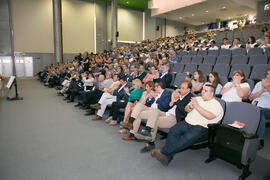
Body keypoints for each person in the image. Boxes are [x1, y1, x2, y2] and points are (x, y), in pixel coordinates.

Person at [151, 84, 224, 165]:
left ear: (212, 94)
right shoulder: (197, 99)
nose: (202, 92)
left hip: (202, 127)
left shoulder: (216, 104)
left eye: (206, 91)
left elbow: (209, 116)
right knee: (173, 131)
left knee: (185, 138)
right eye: (203, 90)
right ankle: (167, 157)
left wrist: (196, 105)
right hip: (187, 122)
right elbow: (186, 109)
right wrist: (190, 107)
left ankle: (163, 151)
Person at [135, 80, 194, 152]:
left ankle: (151, 143)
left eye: (183, 88)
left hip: (174, 118)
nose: (181, 89)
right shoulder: (178, 94)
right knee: (154, 111)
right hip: (167, 113)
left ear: (188, 89)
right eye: (180, 87)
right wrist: (172, 102)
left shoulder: (191, 98)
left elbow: (185, 112)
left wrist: (177, 100)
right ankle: (148, 130)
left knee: (155, 120)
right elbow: (169, 106)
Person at [249, 69, 270, 148]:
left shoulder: (264, 84)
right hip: (255, 108)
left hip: (267, 110)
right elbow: (250, 98)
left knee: (259, 111)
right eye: (267, 74)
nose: (269, 76)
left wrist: (267, 86)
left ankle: (259, 139)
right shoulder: (259, 84)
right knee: (242, 108)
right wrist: (261, 90)